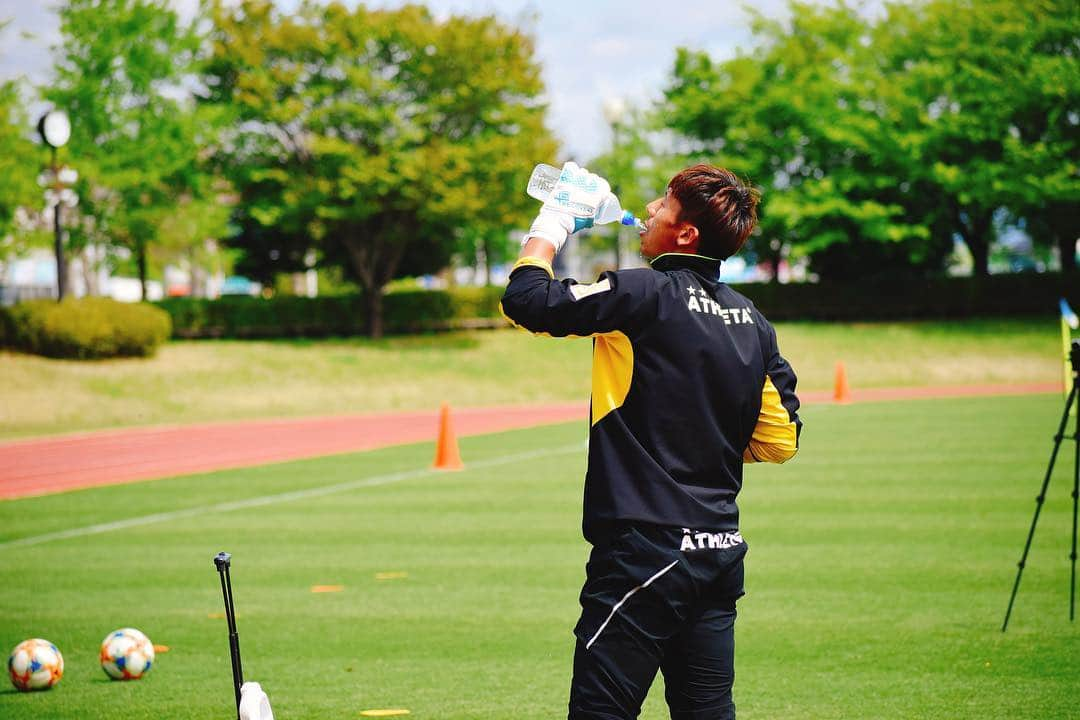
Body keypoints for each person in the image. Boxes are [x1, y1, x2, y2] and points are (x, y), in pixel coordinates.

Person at [500, 162, 802, 720]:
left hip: (643, 552)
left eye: (665, 203)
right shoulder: (752, 320)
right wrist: (699, 433)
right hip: (717, 551)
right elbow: (780, 440)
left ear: (685, 233)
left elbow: (527, 300)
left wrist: (553, 222)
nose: (652, 210)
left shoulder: (642, 292)